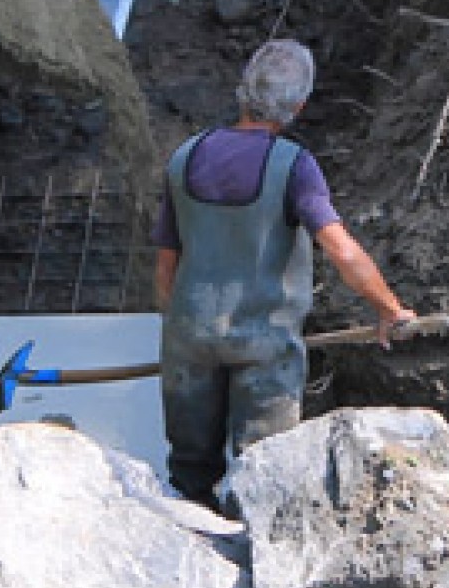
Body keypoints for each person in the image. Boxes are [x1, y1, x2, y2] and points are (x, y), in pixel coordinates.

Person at [152, 38, 415, 503]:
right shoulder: (293, 166)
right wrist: (388, 308)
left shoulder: (185, 156)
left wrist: (179, 329)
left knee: (189, 476)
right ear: (299, 105)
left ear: (242, 91)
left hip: (188, 340)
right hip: (265, 346)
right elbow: (343, 252)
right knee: (264, 475)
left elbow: (166, 265)